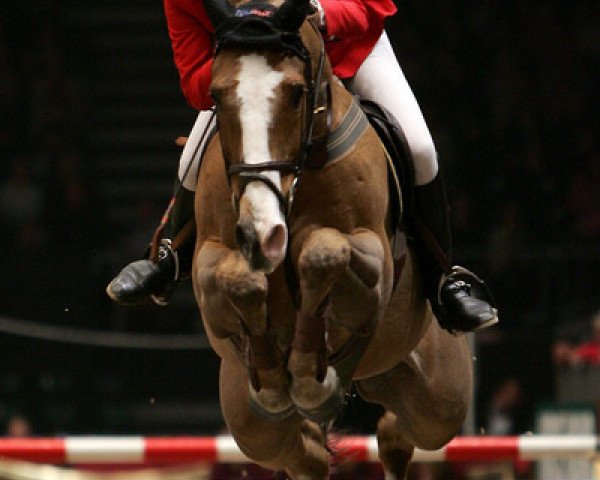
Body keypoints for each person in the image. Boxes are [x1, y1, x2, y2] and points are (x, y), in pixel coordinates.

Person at [107, 0, 498, 333]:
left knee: (420, 148)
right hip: (254, 75)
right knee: (191, 162)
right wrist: (245, 64)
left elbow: (374, 5)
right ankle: (168, 259)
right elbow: (194, 81)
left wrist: (320, 13)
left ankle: (444, 280)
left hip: (347, 47)